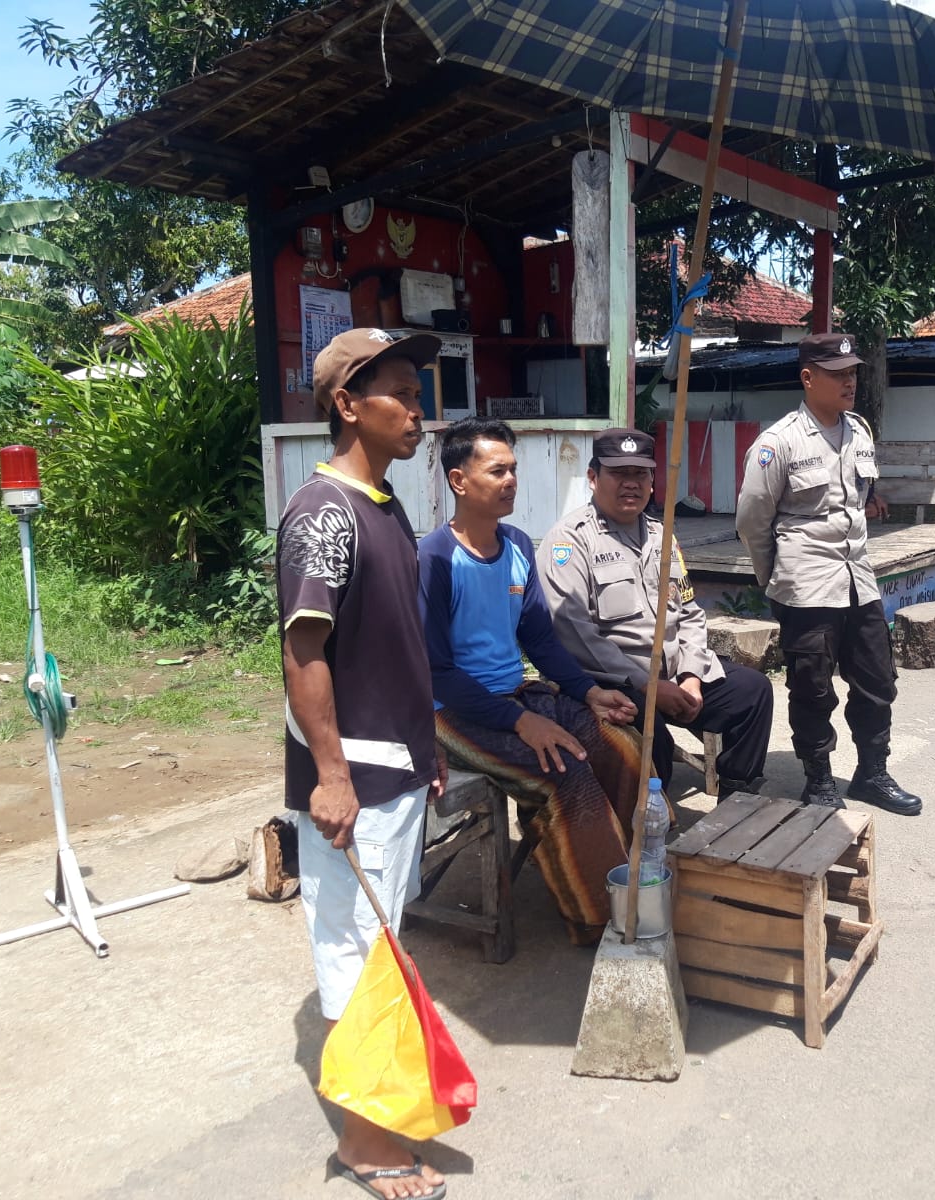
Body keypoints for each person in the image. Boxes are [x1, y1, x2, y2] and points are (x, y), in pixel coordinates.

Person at [276, 327, 450, 1200]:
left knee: (383, 941)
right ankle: (366, 1144)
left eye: (418, 392)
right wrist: (330, 775)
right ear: (348, 404)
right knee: (355, 950)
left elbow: (394, 646)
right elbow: (305, 656)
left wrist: (429, 752)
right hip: (357, 779)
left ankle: (379, 1114)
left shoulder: (383, 504)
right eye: (401, 393)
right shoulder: (324, 513)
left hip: (400, 766)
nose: (418, 409)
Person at [418, 418, 643, 945]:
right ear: (459, 481)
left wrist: (588, 691)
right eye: (497, 470)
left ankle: (634, 877)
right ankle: (599, 919)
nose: (511, 480)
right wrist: (523, 723)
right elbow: (437, 672)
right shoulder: (434, 558)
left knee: (622, 747)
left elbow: (540, 640)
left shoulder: (517, 543)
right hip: (455, 712)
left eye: (514, 469)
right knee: (566, 773)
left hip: (517, 696)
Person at [734, 331, 922, 817]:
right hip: (807, 583)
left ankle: (871, 773)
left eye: (853, 372)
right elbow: (752, 519)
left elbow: (858, 501)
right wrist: (773, 578)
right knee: (813, 686)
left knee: (878, 679)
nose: (850, 382)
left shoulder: (858, 430)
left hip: (857, 576)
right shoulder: (778, 443)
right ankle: (818, 780)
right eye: (838, 374)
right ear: (808, 377)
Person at [537, 427, 774, 799]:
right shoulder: (570, 540)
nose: (630, 484)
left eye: (640, 474)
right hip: (616, 680)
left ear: (652, 481)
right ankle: (646, 828)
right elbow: (573, 630)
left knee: (752, 693)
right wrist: (647, 685)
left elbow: (691, 611)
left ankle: (737, 800)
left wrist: (692, 676)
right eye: (618, 474)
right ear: (593, 477)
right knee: (652, 743)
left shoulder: (661, 536)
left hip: (676, 673)